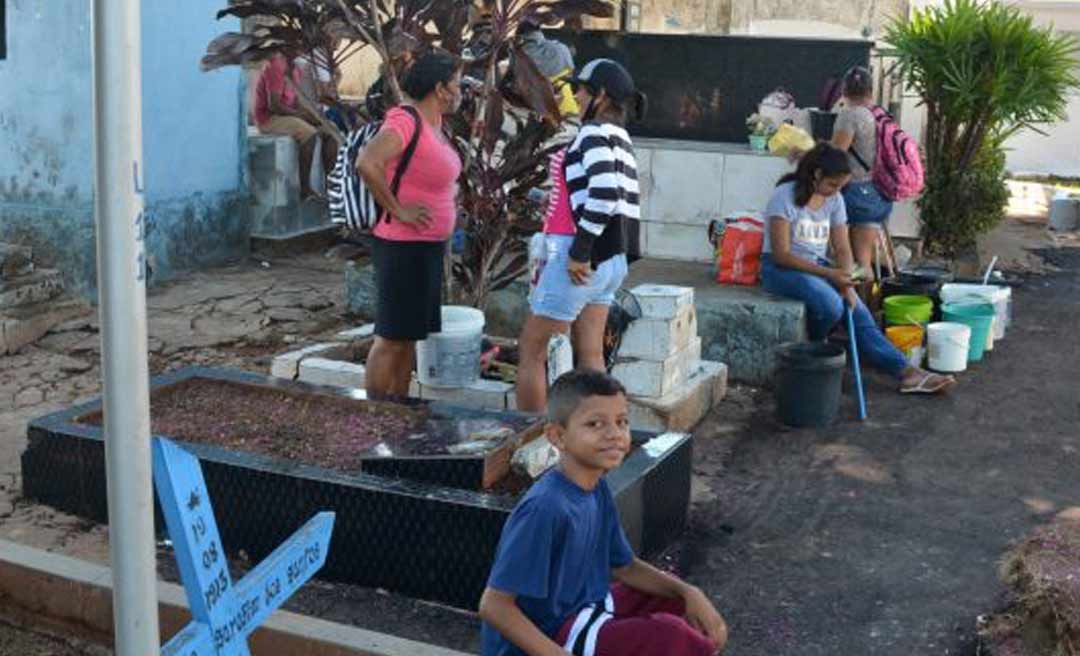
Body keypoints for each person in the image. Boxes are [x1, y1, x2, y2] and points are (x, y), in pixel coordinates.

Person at [479, 370, 729, 656]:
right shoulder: (545, 508)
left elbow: (625, 567)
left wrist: (689, 593)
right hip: (551, 636)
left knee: (677, 603)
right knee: (669, 637)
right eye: (595, 424)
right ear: (557, 436)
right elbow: (494, 606)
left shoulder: (596, 489)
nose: (614, 434)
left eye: (621, 422)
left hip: (587, 612)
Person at [761, 143, 956, 395]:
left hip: (818, 268)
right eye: (832, 185)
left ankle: (906, 372)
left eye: (840, 187)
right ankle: (817, 344)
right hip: (781, 271)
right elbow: (781, 255)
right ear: (817, 174)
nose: (835, 192)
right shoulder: (784, 196)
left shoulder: (835, 199)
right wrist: (831, 275)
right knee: (832, 305)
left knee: (857, 310)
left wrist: (847, 279)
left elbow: (842, 248)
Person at [515, 59, 646, 413]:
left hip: (578, 257)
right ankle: (602, 430)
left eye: (582, 89)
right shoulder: (620, 137)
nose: (574, 95)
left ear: (600, 96)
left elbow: (604, 195)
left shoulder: (592, 134)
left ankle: (532, 440)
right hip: (610, 259)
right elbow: (606, 196)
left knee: (533, 351)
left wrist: (579, 251)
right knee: (590, 354)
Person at [356, 52, 464, 399]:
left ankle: (398, 412)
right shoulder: (406, 120)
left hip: (425, 247)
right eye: (457, 84)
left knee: (407, 339)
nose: (461, 91)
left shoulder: (435, 126)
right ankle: (375, 413)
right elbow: (368, 162)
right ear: (440, 88)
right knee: (390, 339)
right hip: (402, 245)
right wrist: (399, 209)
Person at [831, 65, 891, 274]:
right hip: (881, 195)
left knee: (854, 264)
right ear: (871, 91)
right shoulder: (880, 114)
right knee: (864, 263)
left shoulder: (850, 115)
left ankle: (856, 305)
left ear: (844, 90)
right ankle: (869, 304)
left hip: (857, 197)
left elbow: (835, 156)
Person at [253, 53, 324, 199]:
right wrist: (301, 116)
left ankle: (331, 187)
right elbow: (275, 105)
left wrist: (313, 115)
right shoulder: (276, 66)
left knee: (328, 131)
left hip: (285, 114)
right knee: (309, 133)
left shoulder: (295, 68)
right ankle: (305, 189)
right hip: (269, 118)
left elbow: (295, 101)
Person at [517, 19, 579, 119]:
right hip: (569, 111)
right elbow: (571, 74)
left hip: (541, 116)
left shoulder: (520, 55)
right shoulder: (561, 48)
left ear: (520, 35)